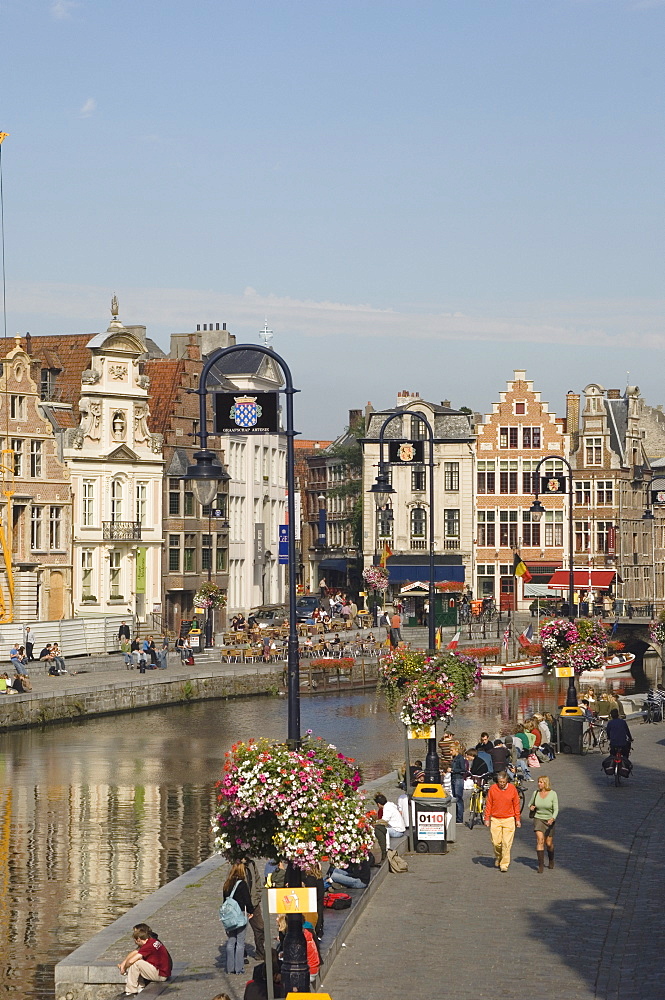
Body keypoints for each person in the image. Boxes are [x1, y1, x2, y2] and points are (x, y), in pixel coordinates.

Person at [117, 923, 172, 996]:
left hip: (161, 975)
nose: (135, 942)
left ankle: (130, 991)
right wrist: (124, 963)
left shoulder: (148, 946)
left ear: (139, 939)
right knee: (138, 963)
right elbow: (136, 952)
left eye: (135, 940)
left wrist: (125, 967)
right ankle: (139, 987)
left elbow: (131, 961)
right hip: (163, 971)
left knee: (137, 963)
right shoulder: (152, 941)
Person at [484, 771, 522, 872]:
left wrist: (517, 819)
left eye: (503, 782)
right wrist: (487, 818)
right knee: (496, 842)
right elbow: (489, 804)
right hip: (495, 819)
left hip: (509, 819)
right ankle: (499, 856)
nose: (501, 784)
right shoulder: (493, 789)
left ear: (507, 781)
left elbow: (516, 804)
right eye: (500, 782)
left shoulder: (512, 789)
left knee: (506, 843)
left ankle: (504, 864)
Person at [222, 862, 253, 975]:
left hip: (229, 915)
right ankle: (239, 968)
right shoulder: (242, 884)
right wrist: (251, 911)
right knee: (240, 942)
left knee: (231, 942)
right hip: (239, 914)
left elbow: (224, 901)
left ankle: (230, 968)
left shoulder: (227, 884)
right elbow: (247, 900)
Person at [528, 775, 559, 872]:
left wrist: (553, 818)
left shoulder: (553, 794)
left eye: (541, 782)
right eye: (538, 782)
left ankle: (551, 859)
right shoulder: (535, 793)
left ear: (545, 783)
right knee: (540, 840)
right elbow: (530, 804)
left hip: (549, 820)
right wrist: (531, 807)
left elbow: (556, 808)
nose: (539, 784)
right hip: (538, 819)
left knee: (548, 843)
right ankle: (540, 865)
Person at [242, 856, 265, 962]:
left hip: (253, 902)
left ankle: (260, 951)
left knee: (260, 927)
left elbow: (257, 880)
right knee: (240, 930)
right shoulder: (235, 865)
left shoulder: (251, 864)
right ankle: (241, 954)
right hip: (241, 903)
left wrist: (257, 896)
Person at [373, 793, 406, 862]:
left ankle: (386, 848)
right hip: (400, 829)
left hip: (397, 831)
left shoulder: (387, 809)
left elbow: (384, 821)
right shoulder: (390, 805)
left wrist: (374, 822)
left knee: (381, 829)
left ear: (378, 804)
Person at [450, 745, 467, 824]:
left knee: (458, 798)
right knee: (455, 797)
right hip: (454, 779)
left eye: (451, 750)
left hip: (458, 779)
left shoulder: (460, 758)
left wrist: (453, 770)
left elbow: (463, 769)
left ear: (456, 750)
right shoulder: (454, 758)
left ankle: (460, 818)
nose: (450, 752)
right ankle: (457, 816)